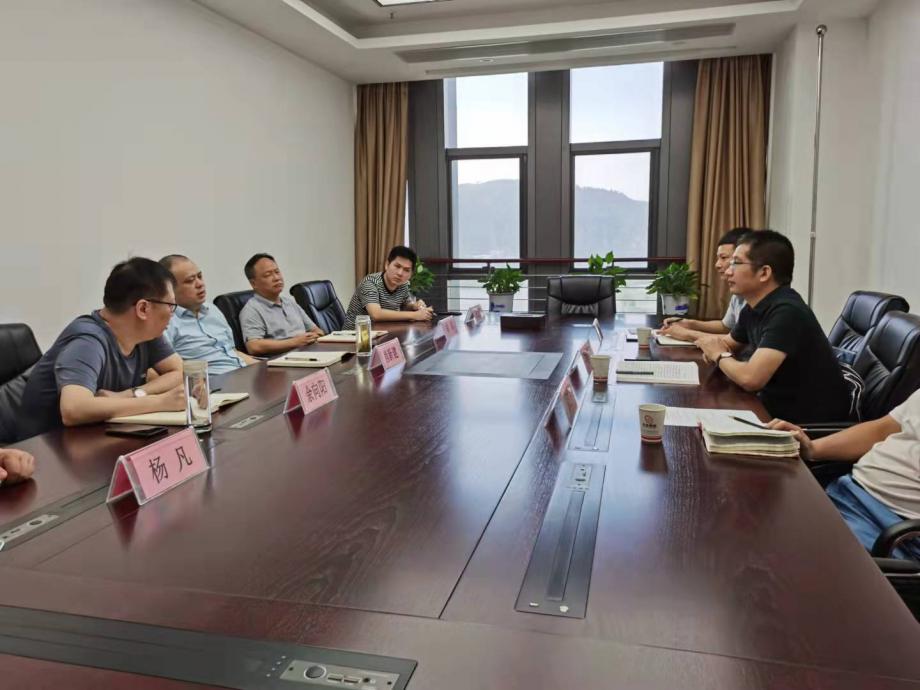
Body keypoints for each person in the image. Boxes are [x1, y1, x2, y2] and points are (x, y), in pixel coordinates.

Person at [15, 258, 185, 440]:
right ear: (143, 308)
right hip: (45, 447)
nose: (172, 314)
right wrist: (159, 402)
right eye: (170, 306)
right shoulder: (88, 341)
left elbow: (179, 372)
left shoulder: (147, 334)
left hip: (99, 437)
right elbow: (74, 409)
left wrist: (130, 394)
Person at [696, 230, 850, 423]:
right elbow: (727, 344)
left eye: (736, 263)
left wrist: (719, 355)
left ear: (764, 273)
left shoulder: (787, 312)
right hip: (770, 408)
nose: (727, 271)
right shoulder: (753, 307)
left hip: (804, 424)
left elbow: (751, 379)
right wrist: (715, 349)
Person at [769, 388, 920, 560]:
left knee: (779, 551)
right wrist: (812, 449)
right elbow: (881, 430)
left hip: (895, 532)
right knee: (760, 517)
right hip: (846, 493)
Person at [159, 254, 256, 374]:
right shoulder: (167, 322)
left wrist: (265, 366)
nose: (200, 284)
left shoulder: (212, 310)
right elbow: (163, 370)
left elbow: (233, 352)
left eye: (200, 276)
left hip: (242, 373)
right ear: (170, 289)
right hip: (213, 381)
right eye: (190, 281)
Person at [659, 227, 750, 342]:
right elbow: (726, 326)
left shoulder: (757, 300)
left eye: (724, 258)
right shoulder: (738, 293)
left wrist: (687, 334)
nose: (717, 265)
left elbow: (739, 341)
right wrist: (689, 323)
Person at [239, 253, 325, 356]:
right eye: (268, 275)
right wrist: (295, 342)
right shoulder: (252, 310)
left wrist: (314, 336)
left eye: (277, 272)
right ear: (253, 283)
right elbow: (254, 346)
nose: (276, 278)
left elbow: (316, 330)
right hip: (284, 360)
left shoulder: (290, 303)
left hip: (309, 353)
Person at [343, 246, 434, 329]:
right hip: (354, 335)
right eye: (397, 266)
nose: (400, 273)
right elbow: (376, 314)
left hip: (382, 332)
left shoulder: (403, 284)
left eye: (406, 270)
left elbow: (406, 304)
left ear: (411, 274)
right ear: (387, 265)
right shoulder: (370, 282)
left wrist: (415, 306)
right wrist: (416, 315)